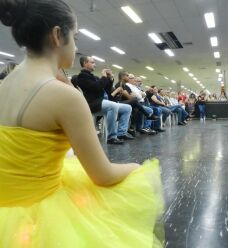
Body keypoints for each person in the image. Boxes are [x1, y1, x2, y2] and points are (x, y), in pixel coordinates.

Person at [0, 1, 163, 247]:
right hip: (41, 216)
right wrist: (135, 168)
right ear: (57, 35)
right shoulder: (64, 97)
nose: (76, 47)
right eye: (74, 38)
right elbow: (103, 176)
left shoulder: (6, 84)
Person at [77, 56, 133, 144]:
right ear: (84, 63)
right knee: (113, 105)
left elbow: (105, 88)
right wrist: (103, 76)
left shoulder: (93, 77)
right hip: (93, 104)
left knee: (127, 108)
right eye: (92, 62)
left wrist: (110, 78)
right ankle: (111, 137)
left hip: (101, 102)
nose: (94, 65)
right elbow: (97, 88)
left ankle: (121, 133)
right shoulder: (81, 77)